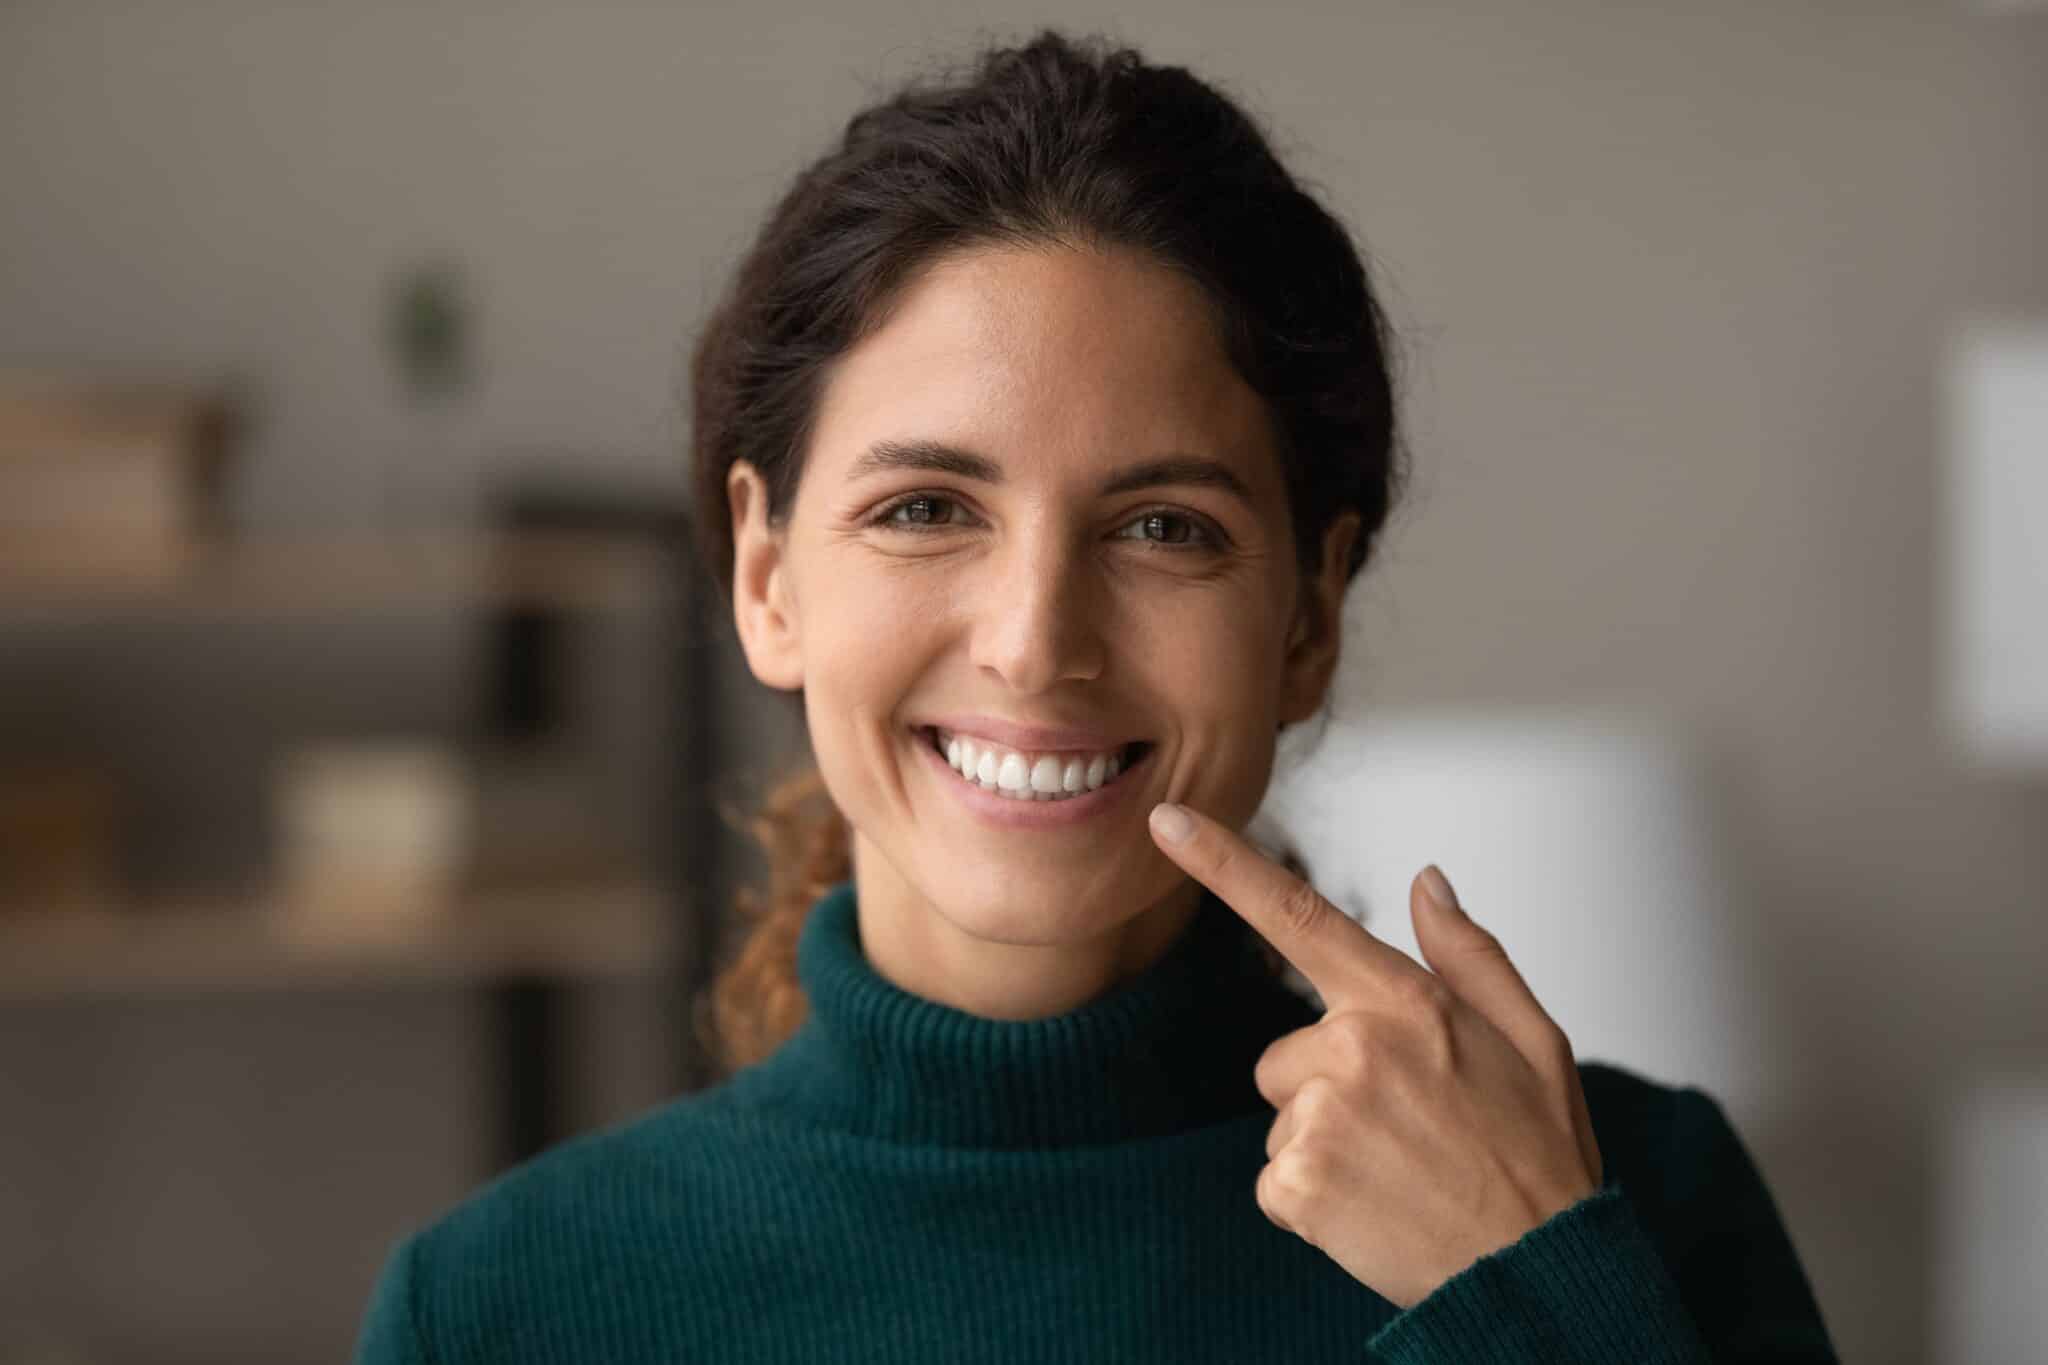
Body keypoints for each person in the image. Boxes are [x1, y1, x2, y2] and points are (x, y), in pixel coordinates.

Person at [353, 29, 1839, 1363]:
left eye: (1164, 528)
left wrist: (1529, 1306)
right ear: (766, 576)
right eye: (927, 507)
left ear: (1310, 613)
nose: (1034, 640)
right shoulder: (498, 1310)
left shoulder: (1633, 1210)